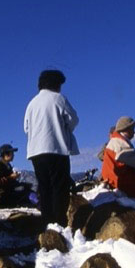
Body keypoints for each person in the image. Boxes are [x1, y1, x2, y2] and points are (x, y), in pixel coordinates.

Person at [24, 69, 79, 227]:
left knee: (44, 187)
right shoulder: (58, 98)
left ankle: (47, 223)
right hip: (56, 149)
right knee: (59, 188)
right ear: (56, 84)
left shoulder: (31, 103)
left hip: (35, 151)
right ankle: (59, 224)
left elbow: (26, 128)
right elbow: (73, 119)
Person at [0, 144, 33, 208]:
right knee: (25, 194)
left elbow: (10, 183)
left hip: (7, 193)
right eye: (11, 153)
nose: (13, 155)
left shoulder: (8, 166)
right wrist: (11, 177)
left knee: (26, 189)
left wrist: (22, 184)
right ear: (5, 154)